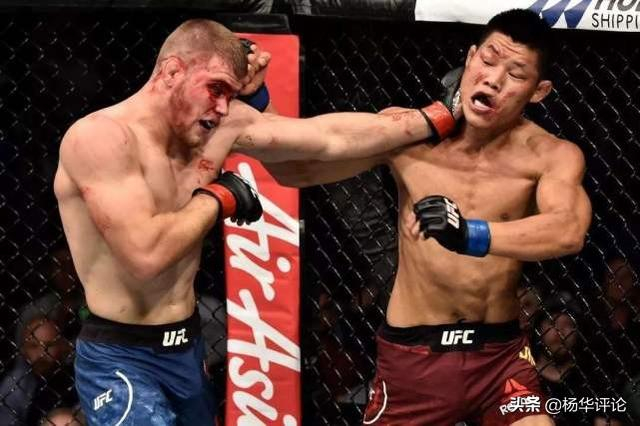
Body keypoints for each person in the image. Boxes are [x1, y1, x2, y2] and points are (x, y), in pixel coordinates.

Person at [54, 19, 455, 425]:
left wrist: (437, 117)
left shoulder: (215, 126)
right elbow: (145, 255)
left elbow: (324, 139)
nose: (222, 107)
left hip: (186, 348)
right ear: (172, 71)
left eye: (230, 94)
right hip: (120, 356)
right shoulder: (102, 138)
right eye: (215, 89)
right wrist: (218, 198)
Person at [268, 9, 592, 425]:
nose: (493, 79)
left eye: (515, 74)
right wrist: (260, 99)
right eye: (488, 60)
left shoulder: (550, 155)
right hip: (414, 357)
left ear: (539, 91)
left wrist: (468, 234)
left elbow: (568, 230)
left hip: (500, 358)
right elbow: (294, 170)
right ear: (470, 58)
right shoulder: (410, 134)